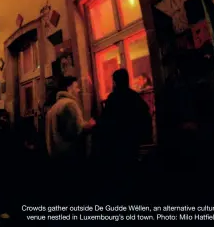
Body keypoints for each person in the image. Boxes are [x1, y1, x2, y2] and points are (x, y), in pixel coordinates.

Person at [92, 69, 152, 201]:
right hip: (132, 141)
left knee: (120, 173)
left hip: (117, 143)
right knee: (131, 170)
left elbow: (106, 121)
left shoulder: (113, 98)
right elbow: (145, 117)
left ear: (115, 82)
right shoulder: (134, 97)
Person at [45, 76, 95, 202]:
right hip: (69, 157)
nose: (78, 90)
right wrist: (90, 125)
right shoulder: (69, 104)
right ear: (68, 87)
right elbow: (74, 131)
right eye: (76, 86)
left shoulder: (54, 107)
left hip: (56, 157)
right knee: (74, 195)